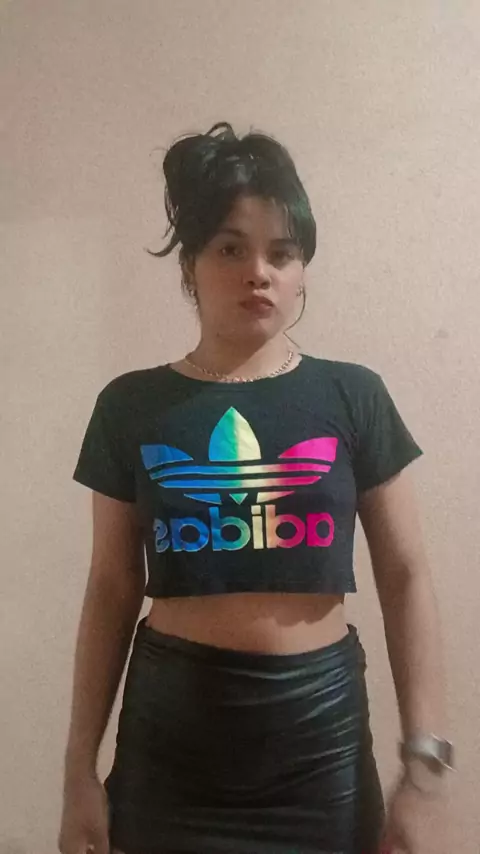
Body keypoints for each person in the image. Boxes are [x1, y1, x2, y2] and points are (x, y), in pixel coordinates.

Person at [58, 122, 452, 854]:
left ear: (302, 270)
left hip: (320, 748)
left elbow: (406, 576)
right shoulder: (131, 406)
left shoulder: (353, 396)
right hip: (171, 748)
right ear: (191, 264)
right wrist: (78, 770)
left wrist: (424, 773)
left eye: (282, 252)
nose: (259, 272)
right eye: (231, 248)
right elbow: (111, 586)